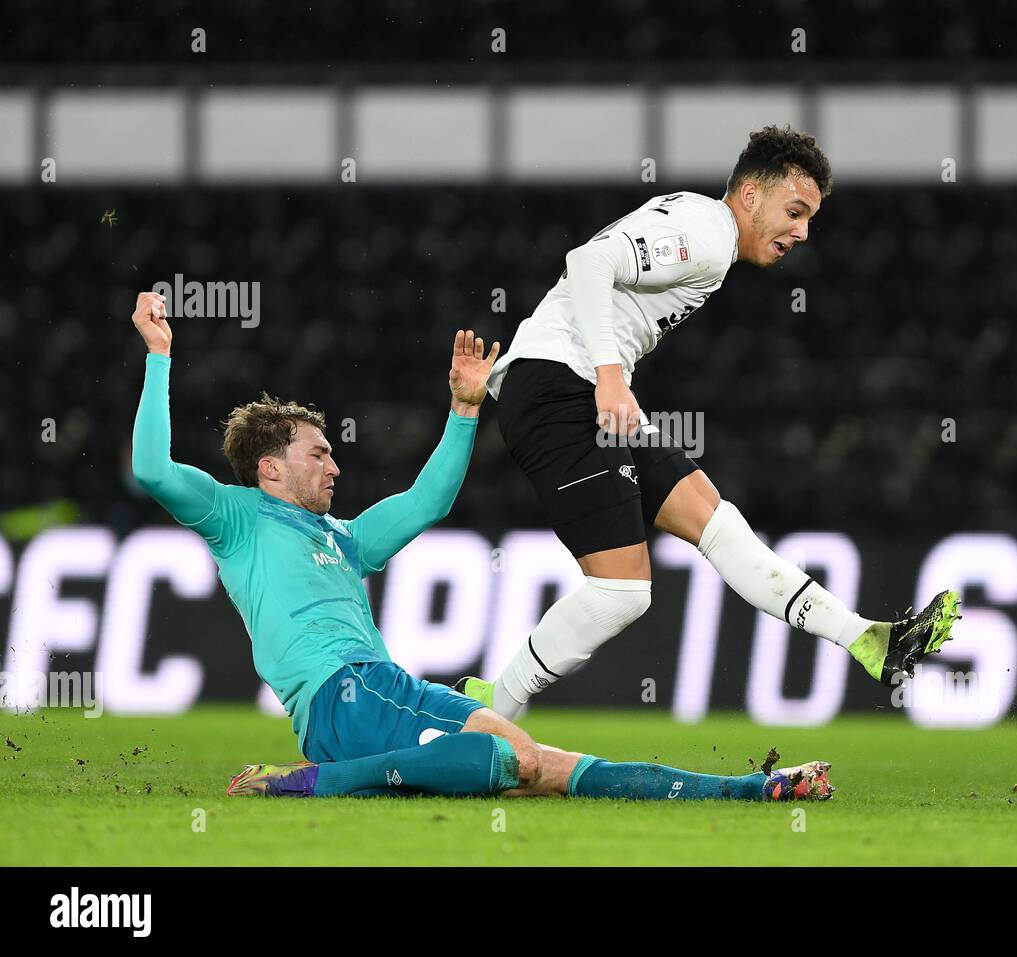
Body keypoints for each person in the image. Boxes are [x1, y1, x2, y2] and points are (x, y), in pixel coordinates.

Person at [127, 290, 832, 801]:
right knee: (511, 753)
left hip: (384, 687)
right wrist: (159, 356)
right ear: (270, 467)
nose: (336, 466)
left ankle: (749, 790)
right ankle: (316, 785)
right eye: (319, 454)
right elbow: (154, 469)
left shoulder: (342, 539)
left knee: (548, 767)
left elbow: (427, 500)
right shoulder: (237, 517)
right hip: (344, 692)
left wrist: (465, 410)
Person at [458, 125, 960, 719]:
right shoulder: (707, 235)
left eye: (809, 219)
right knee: (622, 593)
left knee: (720, 526)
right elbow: (588, 261)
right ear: (750, 196)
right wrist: (610, 374)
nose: (802, 232)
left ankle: (869, 640)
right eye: (794, 212)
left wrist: (530, 379)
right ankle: (492, 714)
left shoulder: (700, 227)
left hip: (565, 384)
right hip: (569, 389)